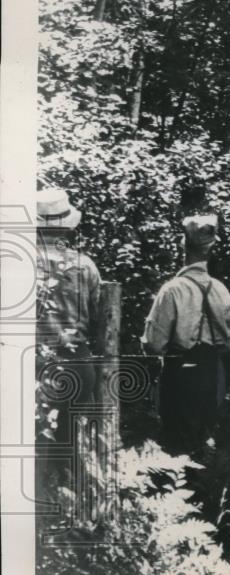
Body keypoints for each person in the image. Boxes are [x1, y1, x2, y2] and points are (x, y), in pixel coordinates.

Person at [142, 215, 230, 457]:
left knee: (177, 445)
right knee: (205, 438)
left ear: (182, 245)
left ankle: (182, 491)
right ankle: (207, 490)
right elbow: (226, 343)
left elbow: (153, 344)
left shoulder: (172, 290)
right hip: (213, 372)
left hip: (180, 374)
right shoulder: (221, 291)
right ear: (211, 248)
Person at [35, 188, 102, 507]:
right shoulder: (85, 265)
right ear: (66, 226)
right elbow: (100, 315)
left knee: (38, 442)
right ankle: (75, 508)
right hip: (79, 362)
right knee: (74, 442)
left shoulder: (22, 265)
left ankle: (43, 508)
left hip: (39, 365)